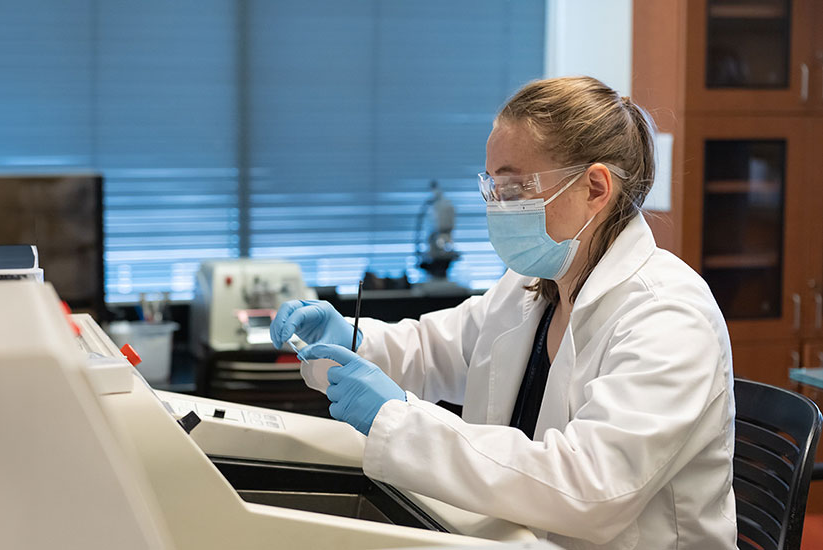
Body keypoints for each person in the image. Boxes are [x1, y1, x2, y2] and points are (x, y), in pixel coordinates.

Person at [270, 76, 736, 549]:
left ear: (596, 187)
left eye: (514, 188)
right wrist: (350, 341)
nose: (497, 208)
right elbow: (438, 349)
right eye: (492, 187)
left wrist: (402, 422)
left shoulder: (668, 316)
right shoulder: (532, 288)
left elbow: (593, 489)